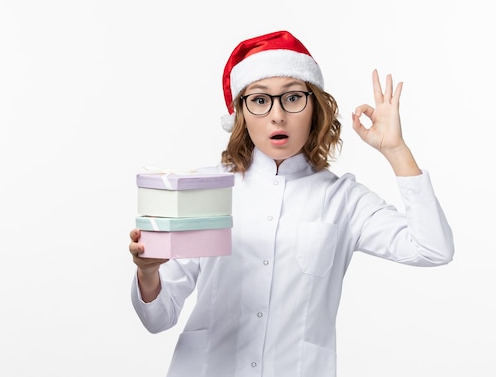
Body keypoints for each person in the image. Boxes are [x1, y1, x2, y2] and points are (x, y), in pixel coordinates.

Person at [129, 30, 454, 377]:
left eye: (293, 98)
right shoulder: (208, 191)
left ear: (314, 107)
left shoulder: (342, 199)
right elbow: (158, 317)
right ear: (241, 112)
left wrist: (396, 151)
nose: (277, 116)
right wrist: (148, 272)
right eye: (259, 100)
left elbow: (433, 248)